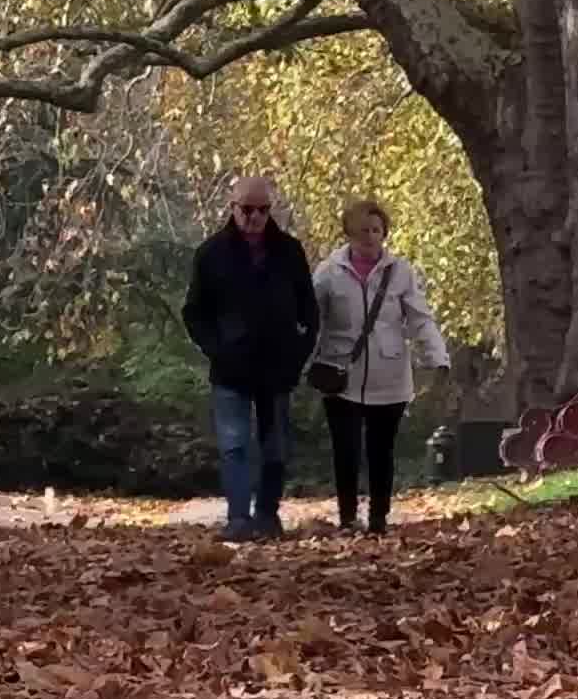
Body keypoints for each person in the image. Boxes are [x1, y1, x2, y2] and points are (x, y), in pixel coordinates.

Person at [181, 177, 317, 539]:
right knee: (234, 444)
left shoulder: (289, 251)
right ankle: (238, 518)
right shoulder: (211, 254)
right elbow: (194, 312)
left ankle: (267, 515)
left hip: (277, 367)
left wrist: (298, 352)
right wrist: (217, 347)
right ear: (232, 208)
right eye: (247, 209)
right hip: (231, 367)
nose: (255, 217)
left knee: (275, 447)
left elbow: (309, 309)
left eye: (263, 210)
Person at [311, 198, 452, 533]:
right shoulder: (328, 273)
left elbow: (420, 319)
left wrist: (437, 358)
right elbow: (312, 320)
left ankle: (378, 517)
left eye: (377, 230)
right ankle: (347, 516)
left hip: (389, 377)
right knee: (345, 449)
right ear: (348, 234)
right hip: (341, 375)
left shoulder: (400, 271)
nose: (371, 238)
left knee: (381, 450)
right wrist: (300, 362)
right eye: (364, 232)